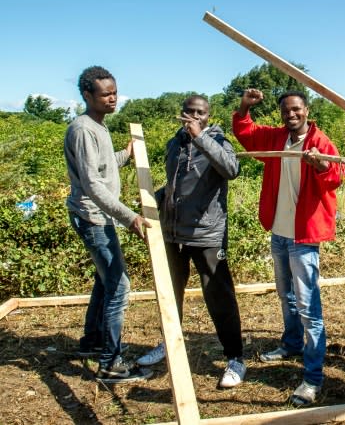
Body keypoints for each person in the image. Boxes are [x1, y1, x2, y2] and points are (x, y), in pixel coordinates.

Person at [232, 88, 344, 406]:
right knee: (286, 295)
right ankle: (292, 343)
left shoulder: (319, 143)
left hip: (304, 236)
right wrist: (244, 107)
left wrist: (321, 165)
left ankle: (312, 378)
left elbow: (337, 175)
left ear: (307, 111)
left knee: (309, 308)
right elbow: (247, 133)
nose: (291, 114)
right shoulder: (276, 138)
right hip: (279, 232)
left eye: (296, 109)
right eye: (286, 110)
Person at [136, 95, 246, 388]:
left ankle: (235, 357)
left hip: (206, 233)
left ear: (208, 117)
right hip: (173, 232)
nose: (194, 117)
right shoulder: (174, 143)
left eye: (201, 113)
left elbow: (231, 170)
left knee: (218, 294)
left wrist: (201, 139)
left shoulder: (219, 142)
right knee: (170, 291)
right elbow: (174, 184)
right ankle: (168, 343)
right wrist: (152, 202)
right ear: (181, 113)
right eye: (190, 112)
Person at [65, 65, 152, 382]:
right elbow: (92, 183)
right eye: (105, 94)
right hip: (93, 217)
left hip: (98, 215)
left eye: (114, 92)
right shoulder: (83, 129)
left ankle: (93, 341)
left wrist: (125, 154)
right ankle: (110, 363)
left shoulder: (98, 127)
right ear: (88, 95)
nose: (113, 98)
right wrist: (129, 217)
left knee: (105, 280)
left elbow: (101, 167)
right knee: (118, 285)